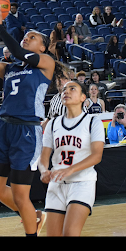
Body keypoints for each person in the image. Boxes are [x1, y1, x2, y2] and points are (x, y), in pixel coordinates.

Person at [0, 4, 55, 237]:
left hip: (26, 131)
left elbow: (18, 51)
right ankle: (33, 216)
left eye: (32, 37)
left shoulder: (46, 63)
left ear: (43, 47)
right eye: (25, 35)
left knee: (20, 195)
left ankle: (31, 230)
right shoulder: (10, 69)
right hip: (3, 128)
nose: (27, 38)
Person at [39, 81, 105, 236]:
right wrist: (43, 171)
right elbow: (44, 156)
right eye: (63, 90)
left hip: (82, 183)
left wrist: (70, 169)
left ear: (83, 97)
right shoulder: (53, 123)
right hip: (56, 185)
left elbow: (97, 155)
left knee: (70, 234)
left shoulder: (93, 121)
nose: (66, 92)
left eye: (72, 89)